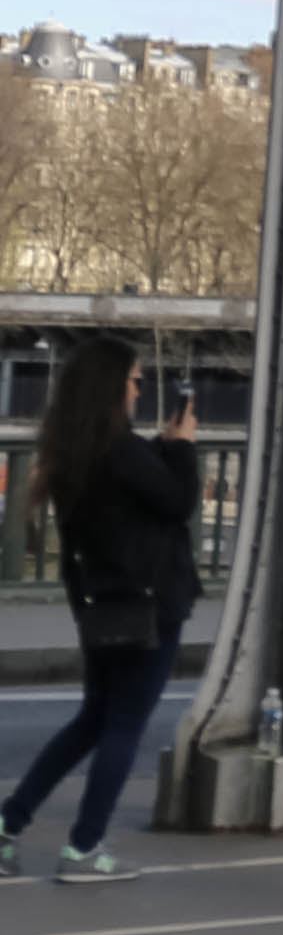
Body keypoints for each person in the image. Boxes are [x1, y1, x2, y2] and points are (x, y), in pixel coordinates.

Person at [2, 333, 201, 884]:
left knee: (92, 721)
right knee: (123, 726)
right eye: (136, 380)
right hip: (148, 608)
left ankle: (8, 825)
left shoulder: (78, 448)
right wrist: (183, 446)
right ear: (114, 385)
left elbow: (135, 496)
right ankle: (83, 848)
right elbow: (177, 502)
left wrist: (162, 447)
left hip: (103, 607)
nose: (139, 390)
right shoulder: (118, 447)